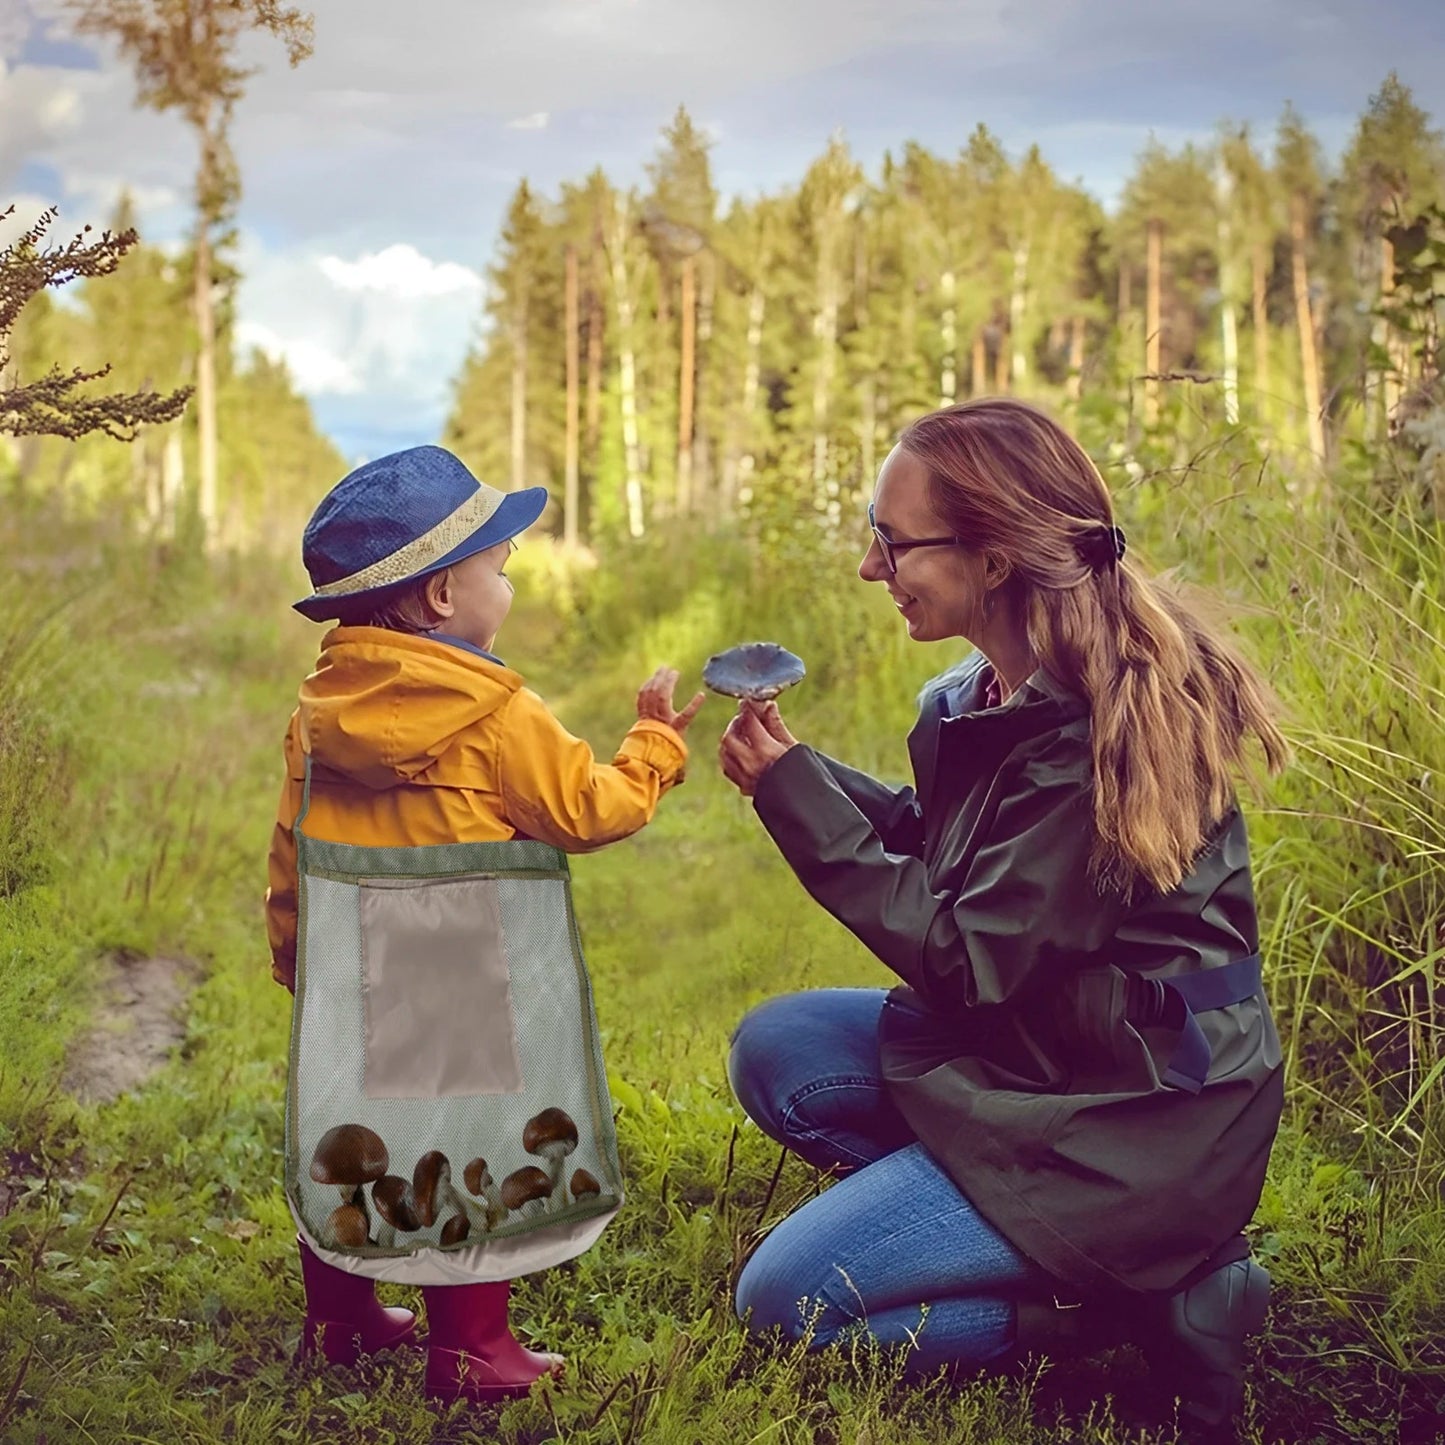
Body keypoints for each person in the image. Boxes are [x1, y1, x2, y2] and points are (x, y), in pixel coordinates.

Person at [718, 398, 1289, 1442]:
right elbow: (954, 850)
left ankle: (1126, 1295)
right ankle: (978, 1219)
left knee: (786, 1302)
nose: (868, 567)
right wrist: (793, 775)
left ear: (991, 558)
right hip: (1042, 1059)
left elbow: (965, 955)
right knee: (779, 1050)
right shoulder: (980, 691)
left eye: (891, 542)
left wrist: (796, 801)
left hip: (1140, 1123)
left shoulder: (1096, 725)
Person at [265, 445, 704, 1404]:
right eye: (496, 568)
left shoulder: (317, 711)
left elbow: (292, 846)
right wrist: (655, 747)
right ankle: (470, 1349)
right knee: (466, 1151)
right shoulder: (498, 713)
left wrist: (298, 953)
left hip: (353, 970)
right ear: (438, 600)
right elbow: (586, 810)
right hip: (459, 970)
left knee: (352, 1134)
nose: (507, 580)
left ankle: (340, 1320)